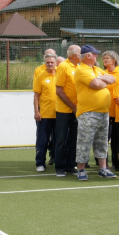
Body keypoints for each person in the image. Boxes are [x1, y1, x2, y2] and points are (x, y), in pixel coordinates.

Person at [74, 45, 116, 181]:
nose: (97, 56)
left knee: (102, 142)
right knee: (84, 142)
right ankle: (81, 169)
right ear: (87, 56)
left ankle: (103, 168)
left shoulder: (96, 69)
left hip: (103, 112)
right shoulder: (81, 69)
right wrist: (103, 81)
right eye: (95, 54)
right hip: (88, 113)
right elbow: (96, 85)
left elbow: (112, 79)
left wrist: (101, 80)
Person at [54, 45, 81, 177]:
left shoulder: (79, 67)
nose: (82, 55)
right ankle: (59, 166)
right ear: (75, 55)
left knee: (74, 139)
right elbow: (59, 90)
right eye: (81, 53)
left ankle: (71, 165)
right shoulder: (64, 66)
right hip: (64, 110)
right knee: (61, 139)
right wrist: (72, 106)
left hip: (77, 110)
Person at [33, 53, 57, 172]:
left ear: (56, 62)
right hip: (45, 114)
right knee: (42, 140)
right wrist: (37, 111)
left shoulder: (60, 74)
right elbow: (36, 96)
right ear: (45, 63)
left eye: (52, 62)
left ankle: (59, 162)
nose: (50, 64)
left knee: (59, 140)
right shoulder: (40, 76)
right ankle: (40, 163)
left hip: (60, 113)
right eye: (48, 62)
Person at [102, 50, 119, 169]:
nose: (105, 60)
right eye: (104, 58)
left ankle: (117, 163)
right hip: (105, 111)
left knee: (117, 139)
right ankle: (104, 164)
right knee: (104, 139)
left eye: (107, 58)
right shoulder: (102, 73)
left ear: (114, 60)